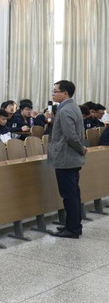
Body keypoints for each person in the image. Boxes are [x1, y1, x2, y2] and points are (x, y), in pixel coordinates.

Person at [49, 80, 87, 239]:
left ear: (65, 93)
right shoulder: (73, 106)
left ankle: (72, 229)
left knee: (69, 195)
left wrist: (81, 149)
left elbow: (71, 135)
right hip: (71, 158)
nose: (53, 94)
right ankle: (73, 224)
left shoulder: (65, 110)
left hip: (66, 158)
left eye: (55, 91)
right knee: (73, 193)